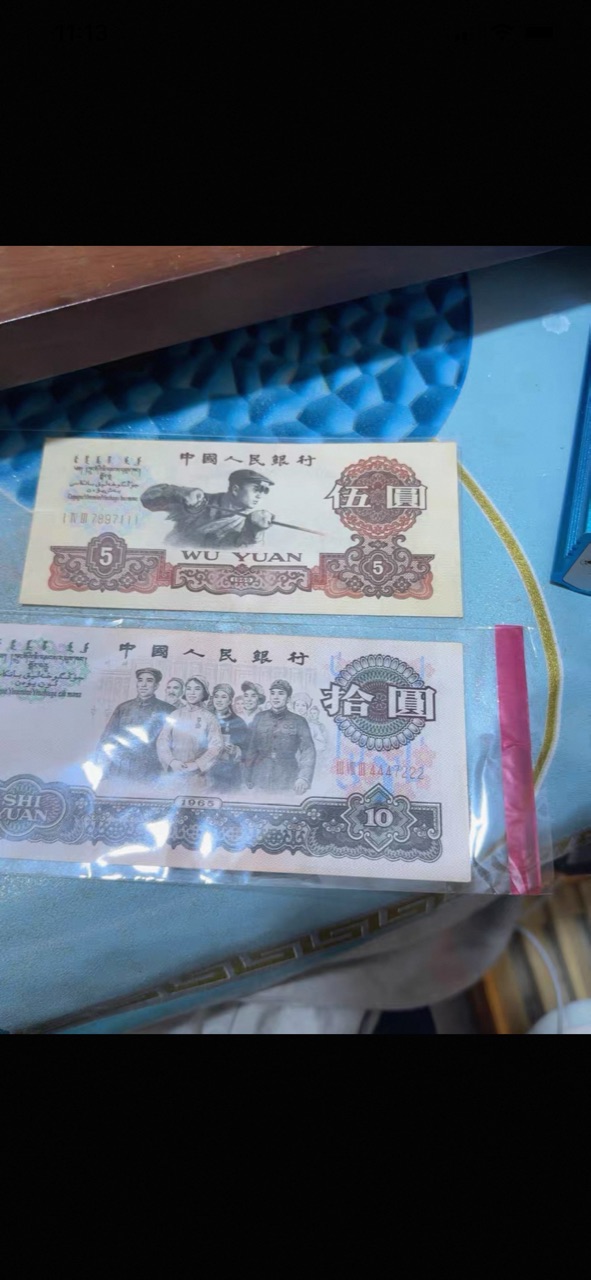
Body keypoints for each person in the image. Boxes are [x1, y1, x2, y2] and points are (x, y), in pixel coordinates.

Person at [140, 469, 275, 548]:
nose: (260, 495)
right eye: (257, 489)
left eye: (265, 491)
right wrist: (178, 492)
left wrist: (255, 531)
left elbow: (241, 550)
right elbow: (147, 499)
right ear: (235, 489)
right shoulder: (197, 501)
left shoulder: (249, 523)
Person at [96, 668, 173, 783]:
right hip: (121, 768)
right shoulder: (123, 708)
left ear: (156, 686)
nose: (143, 685)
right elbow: (106, 738)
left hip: (150, 771)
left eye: (149, 681)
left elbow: (172, 745)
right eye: (140, 680)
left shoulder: (167, 709)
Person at [245, 679, 316, 795]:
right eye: (273, 693)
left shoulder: (299, 721)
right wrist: (247, 776)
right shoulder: (260, 717)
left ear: (288, 699)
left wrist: (303, 778)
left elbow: (308, 751)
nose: (276, 697)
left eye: (281, 693)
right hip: (260, 777)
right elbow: (251, 749)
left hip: (287, 778)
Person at [156, 676, 222, 791]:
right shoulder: (175, 715)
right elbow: (162, 740)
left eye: (197, 689)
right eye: (189, 688)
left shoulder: (209, 718)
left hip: (197, 776)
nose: (192, 692)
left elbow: (216, 746)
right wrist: (172, 761)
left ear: (204, 693)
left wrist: (197, 764)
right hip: (174, 774)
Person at [209, 684, 250, 793]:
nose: (219, 700)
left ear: (230, 701)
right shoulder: (204, 719)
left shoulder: (239, 723)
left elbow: (248, 749)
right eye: (216, 697)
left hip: (229, 773)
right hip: (206, 772)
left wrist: (236, 750)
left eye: (223, 697)